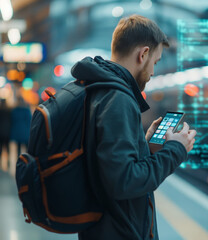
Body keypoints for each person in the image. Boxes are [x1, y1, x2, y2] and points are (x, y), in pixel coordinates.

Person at [73, 15, 196, 240]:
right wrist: (176, 150)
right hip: (119, 232)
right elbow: (124, 182)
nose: (153, 72)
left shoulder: (97, 89)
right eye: (155, 62)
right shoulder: (118, 98)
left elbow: (109, 165)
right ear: (143, 54)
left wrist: (144, 147)